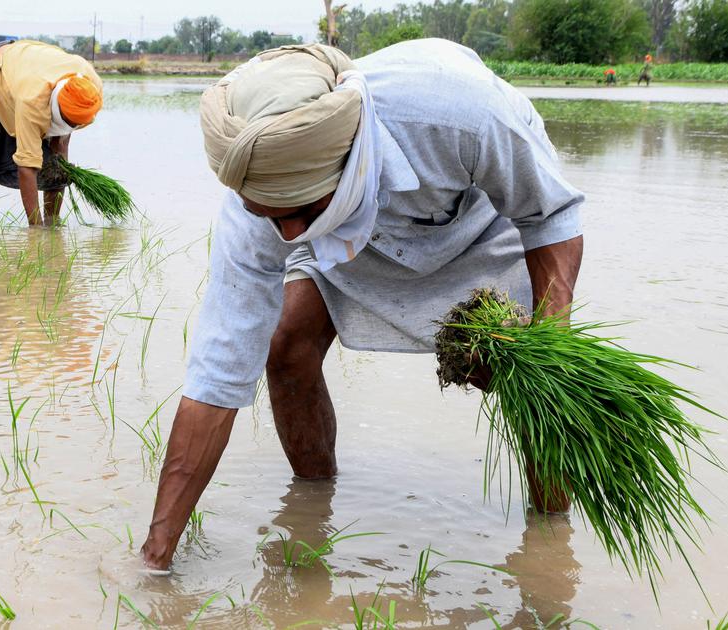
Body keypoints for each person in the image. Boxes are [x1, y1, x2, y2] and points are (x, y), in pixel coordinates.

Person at [140, 40, 585, 572]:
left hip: (481, 223)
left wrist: (547, 343)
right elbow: (217, 373)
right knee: (286, 347)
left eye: (296, 213)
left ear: (345, 165)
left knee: (531, 379)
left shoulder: (461, 114)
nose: (284, 236)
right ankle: (312, 501)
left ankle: (551, 542)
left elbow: (551, 215)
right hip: (341, 227)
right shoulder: (267, 195)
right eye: (269, 217)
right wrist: (155, 556)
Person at [0, 39, 103, 226]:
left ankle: (53, 220)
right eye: (66, 122)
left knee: (57, 164)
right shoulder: (32, 101)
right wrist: (36, 230)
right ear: (55, 109)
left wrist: (51, 231)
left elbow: (61, 145)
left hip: (31, 67)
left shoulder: (90, 90)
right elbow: (27, 167)